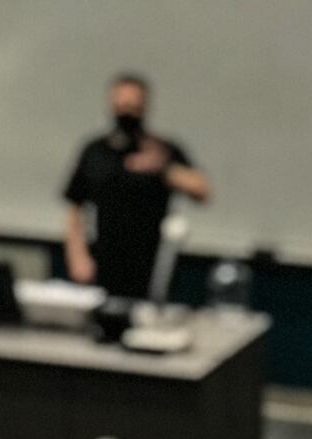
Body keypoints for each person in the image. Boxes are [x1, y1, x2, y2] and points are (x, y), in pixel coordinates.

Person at [62, 72, 211, 299]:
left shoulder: (162, 150)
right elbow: (74, 206)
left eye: (133, 106)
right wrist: (78, 257)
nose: (127, 112)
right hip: (104, 260)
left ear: (145, 106)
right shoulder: (96, 151)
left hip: (152, 265)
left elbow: (202, 189)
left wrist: (164, 168)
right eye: (122, 105)